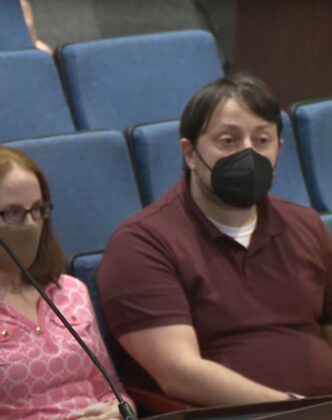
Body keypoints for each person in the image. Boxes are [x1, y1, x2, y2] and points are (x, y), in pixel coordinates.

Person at [99, 73, 332, 407]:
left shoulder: (304, 223)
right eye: (228, 141)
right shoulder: (141, 243)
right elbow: (179, 372)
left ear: (279, 149)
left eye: (262, 140)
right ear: (191, 153)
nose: (248, 154)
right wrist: (298, 410)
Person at [0, 145, 132, 420]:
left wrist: (116, 411)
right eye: (13, 213)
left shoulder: (70, 291)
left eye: (38, 210)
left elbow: (113, 392)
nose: (31, 224)